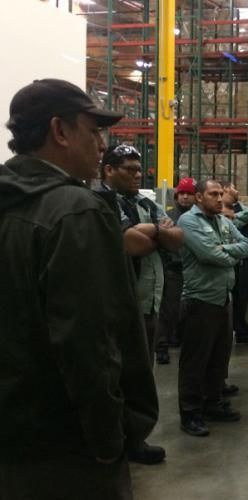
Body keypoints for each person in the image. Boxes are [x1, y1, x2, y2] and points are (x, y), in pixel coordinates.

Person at [0, 78, 157, 498]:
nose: (102, 144)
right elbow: (89, 342)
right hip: (68, 446)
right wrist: (110, 440)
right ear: (60, 131)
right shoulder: (76, 212)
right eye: (94, 130)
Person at [99, 143, 184, 464]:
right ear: (109, 170)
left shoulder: (145, 204)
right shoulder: (102, 203)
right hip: (118, 303)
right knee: (115, 374)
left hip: (149, 302)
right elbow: (130, 244)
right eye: (129, 170)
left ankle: (135, 438)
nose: (137, 175)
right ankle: (112, 439)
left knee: (140, 373)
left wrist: (151, 233)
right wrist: (156, 234)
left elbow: (176, 239)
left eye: (139, 170)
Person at [177, 179, 248, 437]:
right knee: (195, 360)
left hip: (223, 298)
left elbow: (246, 246)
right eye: (213, 194)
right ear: (198, 197)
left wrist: (224, 249)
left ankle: (212, 403)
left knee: (219, 357)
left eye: (221, 194)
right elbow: (209, 255)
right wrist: (227, 253)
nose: (220, 199)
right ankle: (190, 412)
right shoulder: (188, 222)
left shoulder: (223, 221)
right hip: (200, 300)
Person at [156, 177, 197, 364]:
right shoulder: (168, 218)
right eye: (183, 194)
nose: (186, 197)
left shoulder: (200, 217)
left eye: (190, 194)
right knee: (169, 309)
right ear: (176, 196)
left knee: (189, 311)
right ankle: (161, 346)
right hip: (174, 270)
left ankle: (180, 339)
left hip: (194, 271)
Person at [220, 181, 248, 346]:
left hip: (242, 262)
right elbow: (227, 227)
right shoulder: (215, 211)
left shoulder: (239, 208)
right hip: (226, 261)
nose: (237, 191)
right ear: (226, 190)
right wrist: (231, 219)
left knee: (242, 298)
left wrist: (234, 215)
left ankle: (242, 332)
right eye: (234, 187)